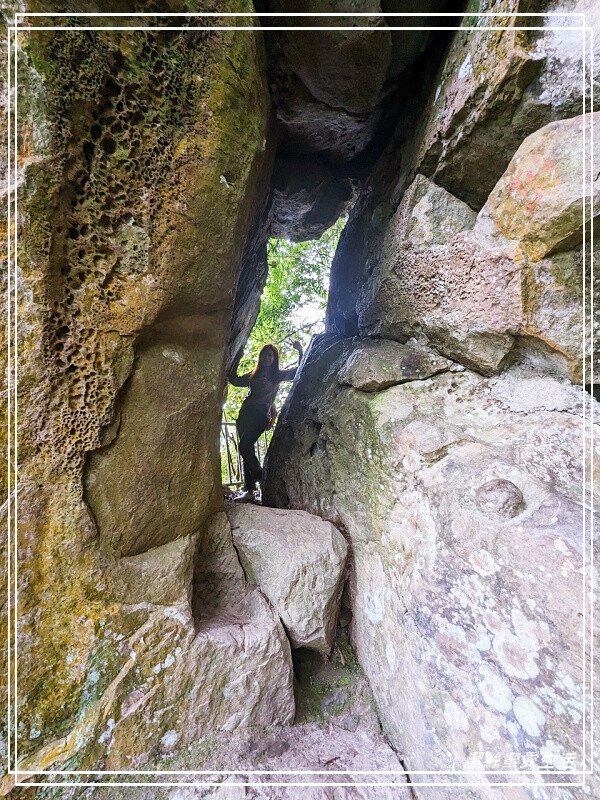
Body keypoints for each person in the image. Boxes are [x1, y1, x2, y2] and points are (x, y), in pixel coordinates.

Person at [227, 341, 303, 501]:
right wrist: (237, 358)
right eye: (264, 354)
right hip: (245, 414)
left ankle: (262, 478)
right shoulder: (252, 375)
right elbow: (233, 379)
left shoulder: (277, 376)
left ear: (274, 358)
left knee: (244, 446)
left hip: (261, 415)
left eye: (271, 355)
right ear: (260, 357)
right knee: (248, 451)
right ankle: (249, 491)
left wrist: (300, 351)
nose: (267, 357)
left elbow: (298, 371)